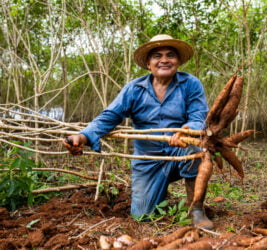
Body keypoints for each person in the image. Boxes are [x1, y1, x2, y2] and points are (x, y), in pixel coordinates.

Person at [62, 34, 213, 229]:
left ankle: (196, 209)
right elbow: (110, 116)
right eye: (157, 56)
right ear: (149, 64)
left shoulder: (190, 84)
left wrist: (187, 132)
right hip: (147, 159)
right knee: (142, 217)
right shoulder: (134, 89)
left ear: (178, 62)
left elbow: (198, 117)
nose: (164, 60)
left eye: (170, 55)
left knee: (197, 153)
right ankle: (156, 191)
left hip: (179, 151)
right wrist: (82, 136)